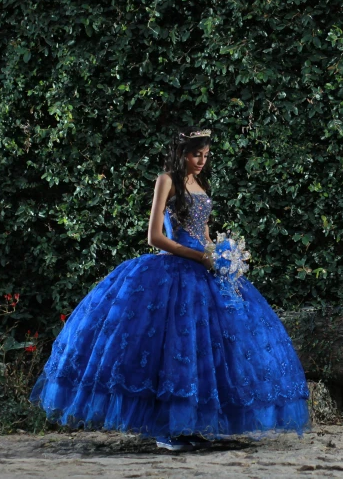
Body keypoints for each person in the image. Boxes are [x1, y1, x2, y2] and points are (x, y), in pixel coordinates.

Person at [30, 128, 311, 451]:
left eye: (206, 155)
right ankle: (166, 428)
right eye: (196, 155)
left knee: (206, 349)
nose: (202, 161)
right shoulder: (167, 180)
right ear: (181, 153)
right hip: (171, 270)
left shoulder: (201, 183)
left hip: (203, 272)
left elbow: (204, 232)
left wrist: (220, 255)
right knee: (172, 348)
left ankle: (187, 424)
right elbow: (155, 237)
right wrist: (198, 256)